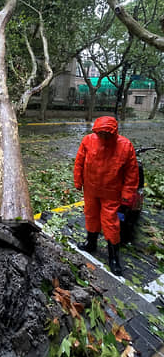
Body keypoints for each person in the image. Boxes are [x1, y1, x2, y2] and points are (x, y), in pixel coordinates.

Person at [73, 116, 139, 276]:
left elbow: (132, 174)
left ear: (114, 132)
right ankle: (91, 243)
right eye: (100, 133)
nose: (103, 136)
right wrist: (78, 181)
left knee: (111, 223)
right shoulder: (88, 140)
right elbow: (79, 162)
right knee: (91, 216)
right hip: (91, 189)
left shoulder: (125, 146)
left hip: (112, 192)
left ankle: (113, 257)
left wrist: (126, 195)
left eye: (106, 133)